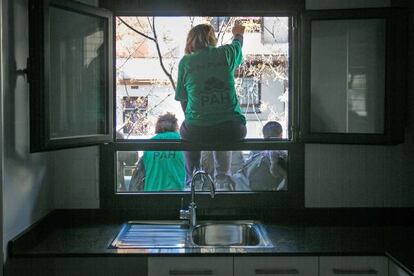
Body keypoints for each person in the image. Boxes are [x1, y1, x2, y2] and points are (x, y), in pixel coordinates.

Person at [175, 22, 247, 190]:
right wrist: (238, 33)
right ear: (211, 38)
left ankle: (193, 178)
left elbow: (182, 99)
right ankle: (223, 178)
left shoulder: (185, 62)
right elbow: (237, 45)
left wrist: (195, 118)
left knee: (188, 131)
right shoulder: (225, 54)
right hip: (232, 129)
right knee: (222, 133)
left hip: (197, 131)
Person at [129, 113, 185, 192]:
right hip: (175, 194)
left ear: (158, 127)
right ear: (175, 126)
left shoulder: (149, 144)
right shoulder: (182, 142)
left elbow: (142, 172)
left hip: (151, 194)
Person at [231, 121, 288, 191]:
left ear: (264, 137)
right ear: (281, 136)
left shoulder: (255, 153)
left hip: (251, 192)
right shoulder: (284, 155)